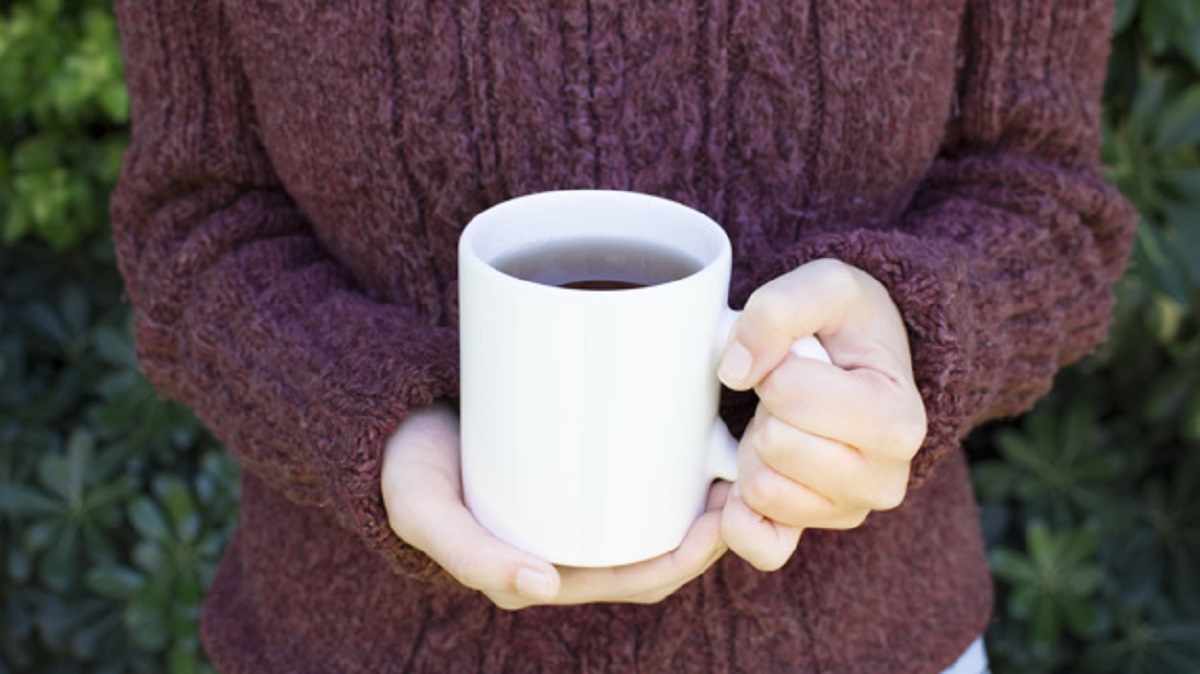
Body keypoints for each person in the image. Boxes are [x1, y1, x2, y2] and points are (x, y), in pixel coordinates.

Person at [109, 1, 1135, 672]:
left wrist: (912, 337)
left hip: (865, 643)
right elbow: (197, 216)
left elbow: (1040, 188)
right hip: (351, 642)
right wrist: (367, 420)